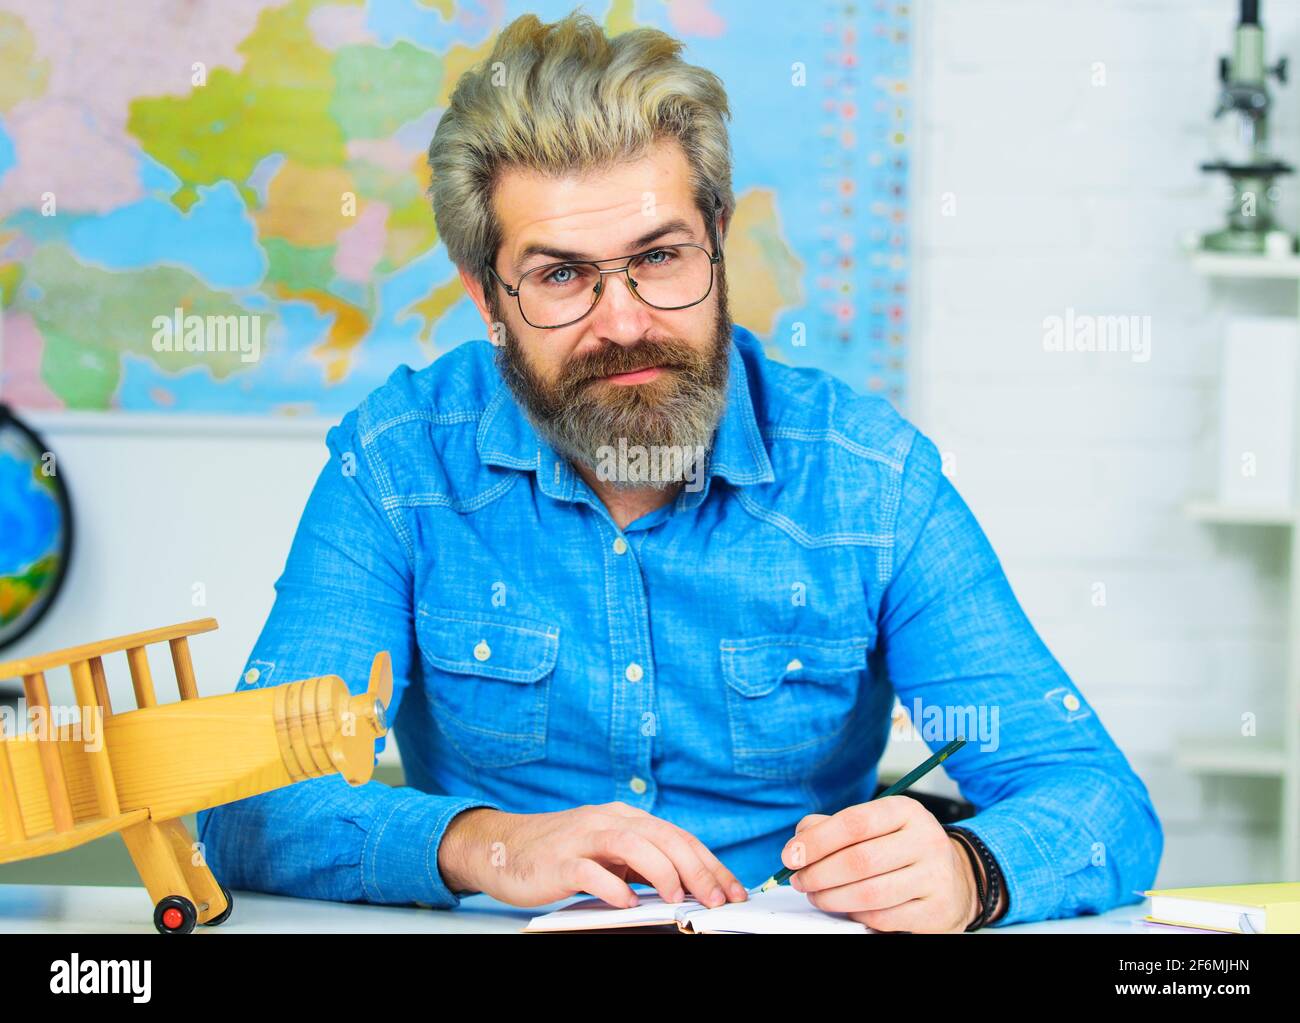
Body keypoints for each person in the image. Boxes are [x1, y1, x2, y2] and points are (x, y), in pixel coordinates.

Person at [198, 10, 1162, 932]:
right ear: (486, 296)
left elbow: (1097, 798)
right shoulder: (396, 465)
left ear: (718, 237)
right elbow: (242, 808)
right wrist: (488, 847)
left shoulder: (872, 479)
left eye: (659, 257)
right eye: (562, 275)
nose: (623, 322)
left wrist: (969, 872)